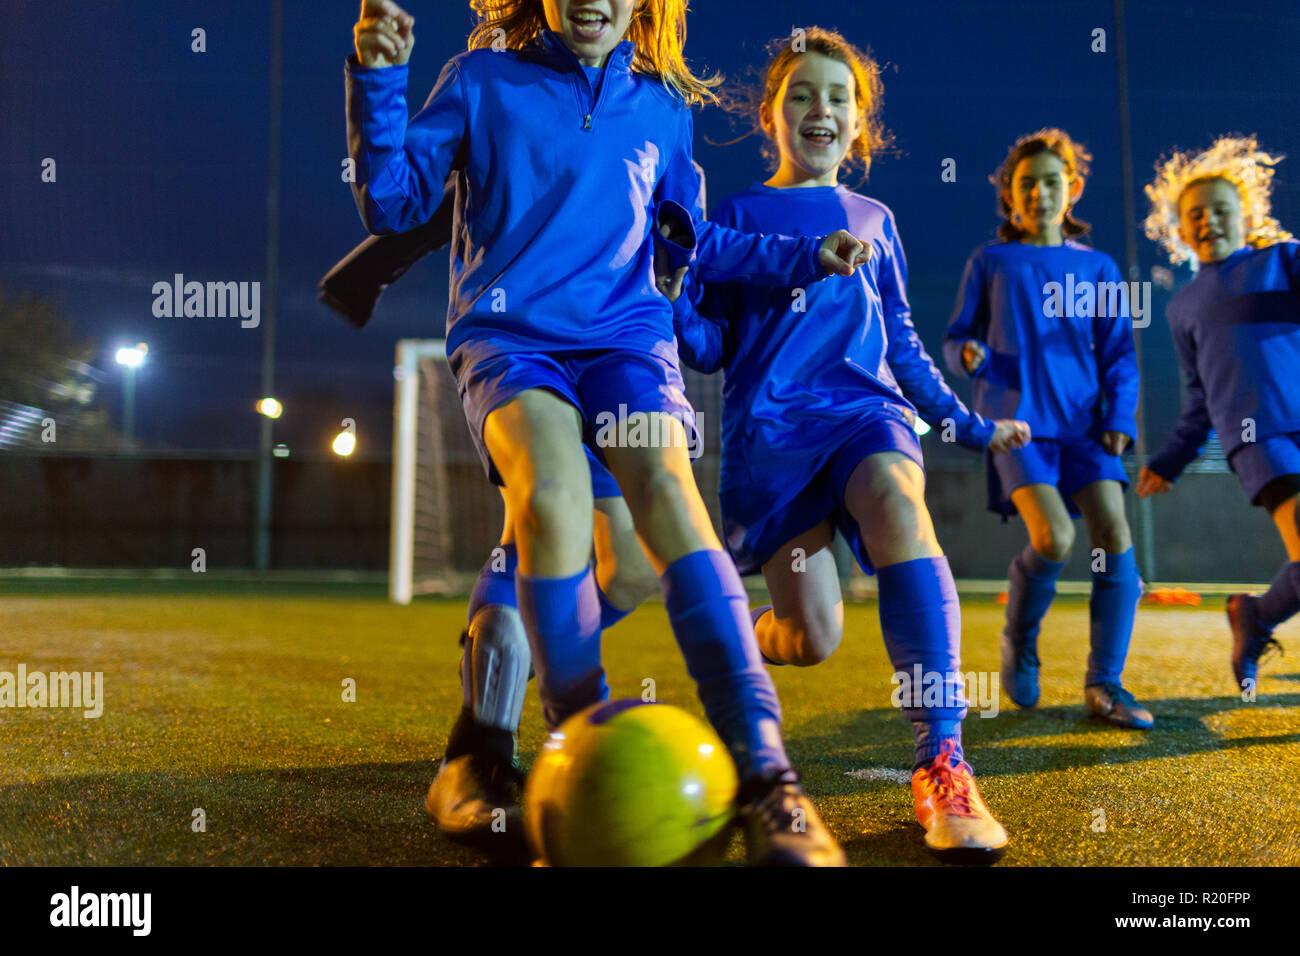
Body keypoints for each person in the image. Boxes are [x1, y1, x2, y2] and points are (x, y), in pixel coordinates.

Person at [348, 0, 874, 865]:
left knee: (648, 532)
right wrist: (378, 80)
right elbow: (393, 201)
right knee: (550, 499)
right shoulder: (482, 80)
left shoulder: (662, 104)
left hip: (627, 343)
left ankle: (769, 781)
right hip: (514, 343)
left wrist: (800, 257)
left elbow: (694, 244)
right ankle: (567, 747)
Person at [666, 27, 1029, 863]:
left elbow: (901, 345)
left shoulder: (877, 221)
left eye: (838, 97)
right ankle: (763, 625)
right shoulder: (736, 217)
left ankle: (944, 763)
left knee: (902, 508)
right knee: (813, 638)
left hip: (867, 418)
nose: (819, 108)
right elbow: (713, 347)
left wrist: (965, 426)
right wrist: (676, 296)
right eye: (801, 93)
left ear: (860, 122)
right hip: (773, 445)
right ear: (770, 115)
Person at [944, 128, 1152, 731]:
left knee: (1114, 535)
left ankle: (1104, 685)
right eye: (1025, 183)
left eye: (1051, 181)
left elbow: (1120, 353)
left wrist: (1118, 418)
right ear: (1010, 195)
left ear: (1074, 190)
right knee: (1057, 540)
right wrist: (968, 356)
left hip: (1087, 429)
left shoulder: (1102, 267)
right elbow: (958, 337)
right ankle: (1019, 639)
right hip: (1018, 427)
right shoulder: (991, 260)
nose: (1039, 192)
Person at [1136, 135, 1299, 693]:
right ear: (1179, 228)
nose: (1208, 222)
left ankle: (1255, 615)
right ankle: (1257, 617)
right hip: (1257, 438)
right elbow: (1200, 397)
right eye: (1195, 215)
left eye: (1221, 211)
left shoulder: (1285, 260)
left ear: (1247, 214)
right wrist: (1173, 457)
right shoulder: (1183, 307)